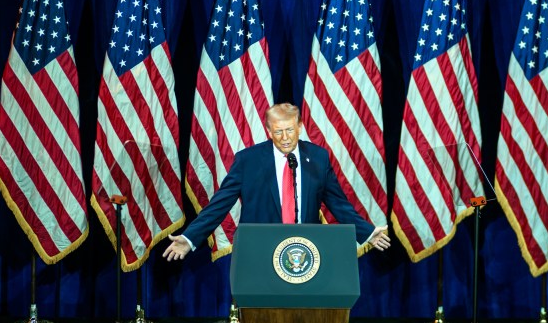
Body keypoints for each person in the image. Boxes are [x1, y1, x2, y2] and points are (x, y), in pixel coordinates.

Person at [163, 102, 391, 260]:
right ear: (268, 131)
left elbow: (338, 204)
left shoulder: (318, 158)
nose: (285, 138)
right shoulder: (248, 161)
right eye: (278, 132)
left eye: (290, 130)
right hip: (261, 251)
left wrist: (367, 232)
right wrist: (190, 237)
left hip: (305, 251)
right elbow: (219, 204)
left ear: (300, 126)